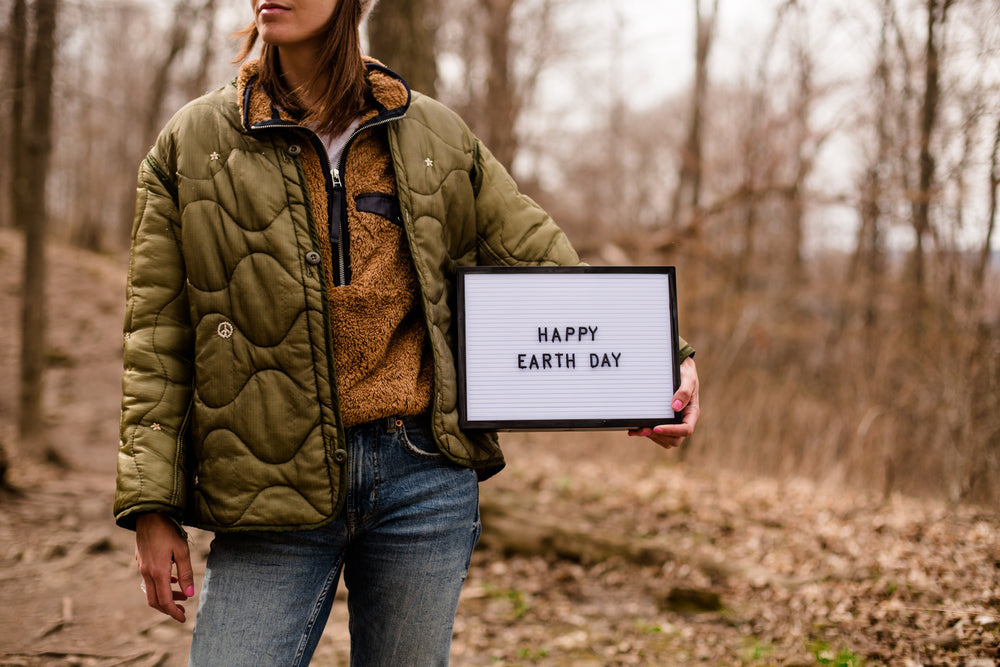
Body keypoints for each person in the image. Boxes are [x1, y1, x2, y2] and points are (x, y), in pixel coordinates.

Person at [114, 0, 701, 664]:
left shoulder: (437, 137)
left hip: (421, 479)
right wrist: (151, 505)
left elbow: (541, 257)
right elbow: (155, 339)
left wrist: (662, 360)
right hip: (266, 482)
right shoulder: (191, 144)